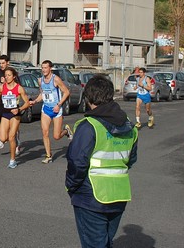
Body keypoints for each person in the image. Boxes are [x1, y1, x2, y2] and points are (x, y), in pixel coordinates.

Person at [66, 75, 138, 248]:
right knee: (105, 242)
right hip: (119, 195)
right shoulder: (128, 125)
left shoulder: (89, 125)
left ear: (88, 98)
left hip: (91, 197)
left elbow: (77, 162)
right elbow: (131, 159)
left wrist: (71, 186)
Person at [30, 59, 72, 164]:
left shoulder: (56, 79)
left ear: (50, 68)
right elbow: (42, 95)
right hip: (46, 109)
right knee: (45, 132)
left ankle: (66, 131)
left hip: (56, 110)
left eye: (45, 68)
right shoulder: (40, 81)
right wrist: (35, 101)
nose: (43, 70)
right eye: (42, 68)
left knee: (56, 136)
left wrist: (59, 105)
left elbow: (66, 92)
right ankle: (48, 156)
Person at [0, 67, 29, 168]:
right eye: (5, 75)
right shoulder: (2, 88)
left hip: (15, 114)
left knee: (11, 137)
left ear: (13, 77)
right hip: (5, 113)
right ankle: (15, 142)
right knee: (3, 138)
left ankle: (12, 160)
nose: (6, 77)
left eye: (9, 75)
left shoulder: (19, 88)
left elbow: (27, 103)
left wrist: (19, 109)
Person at [0, 55, 22, 154]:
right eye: (0, 63)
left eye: (3, 63)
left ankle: (15, 141)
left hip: (12, 103)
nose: (1, 65)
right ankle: (3, 138)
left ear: (7, 63)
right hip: (2, 101)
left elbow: (18, 86)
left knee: (12, 128)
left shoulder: (13, 73)